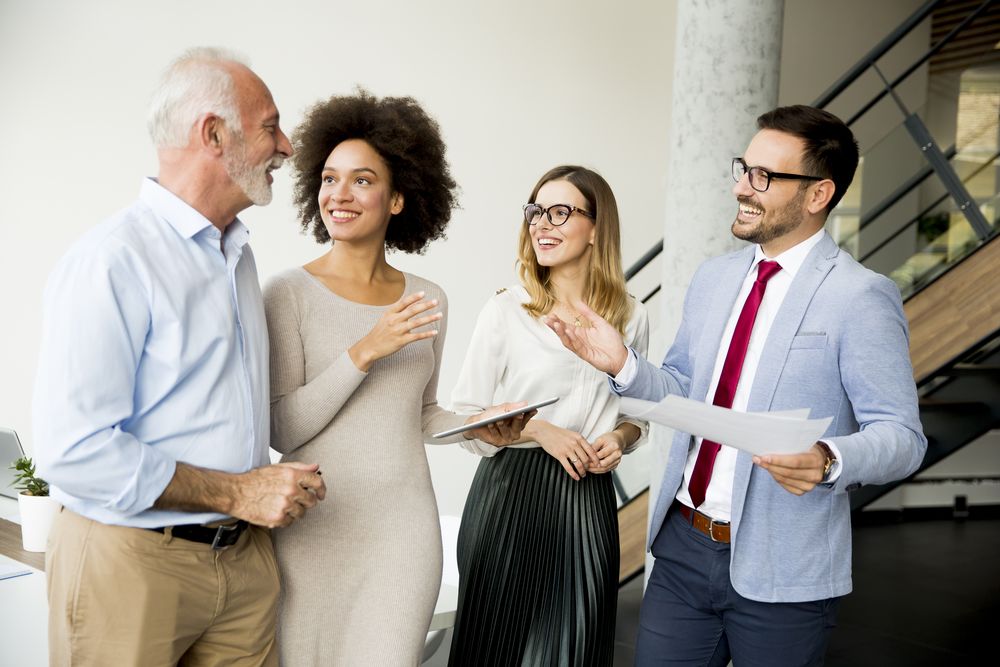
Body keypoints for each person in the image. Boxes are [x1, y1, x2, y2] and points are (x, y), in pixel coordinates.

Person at [548, 105, 927, 665]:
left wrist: (829, 458)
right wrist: (623, 363)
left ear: (818, 194)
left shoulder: (860, 297)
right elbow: (679, 387)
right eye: (743, 169)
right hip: (681, 546)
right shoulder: (714, 277)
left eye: (764, 177)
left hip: (784, 567)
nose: (741, 188)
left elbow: (902, 437)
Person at [33, 48, 326, 666]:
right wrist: (235, 493)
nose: (289, 145)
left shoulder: (239, 255)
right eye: (271, 125)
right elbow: (74, 450)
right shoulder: (111, 261)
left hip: (245, 564)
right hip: (131, 563)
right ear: (214, 134)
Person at [264, 91, 532, 666]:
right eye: (330, 178)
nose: (339, 194)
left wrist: (479, 427)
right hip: (311, 530)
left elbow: (422, 413)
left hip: (401, 535)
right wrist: (365, 351)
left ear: (399, 198)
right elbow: (283, 428)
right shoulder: (286, 294)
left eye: (362, 180)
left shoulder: (426, 298)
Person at [447, 166, 649, 666]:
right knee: (495, 648)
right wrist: (539, 428)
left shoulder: (631, 315)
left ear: (597, 228)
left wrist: (619, 439)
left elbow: (639, 416)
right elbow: (465, 418)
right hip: (509, 494)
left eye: (560, 212)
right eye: (536, 211)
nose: (542, 224)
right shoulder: (506, 310)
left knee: (575, 649)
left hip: (586, 496)